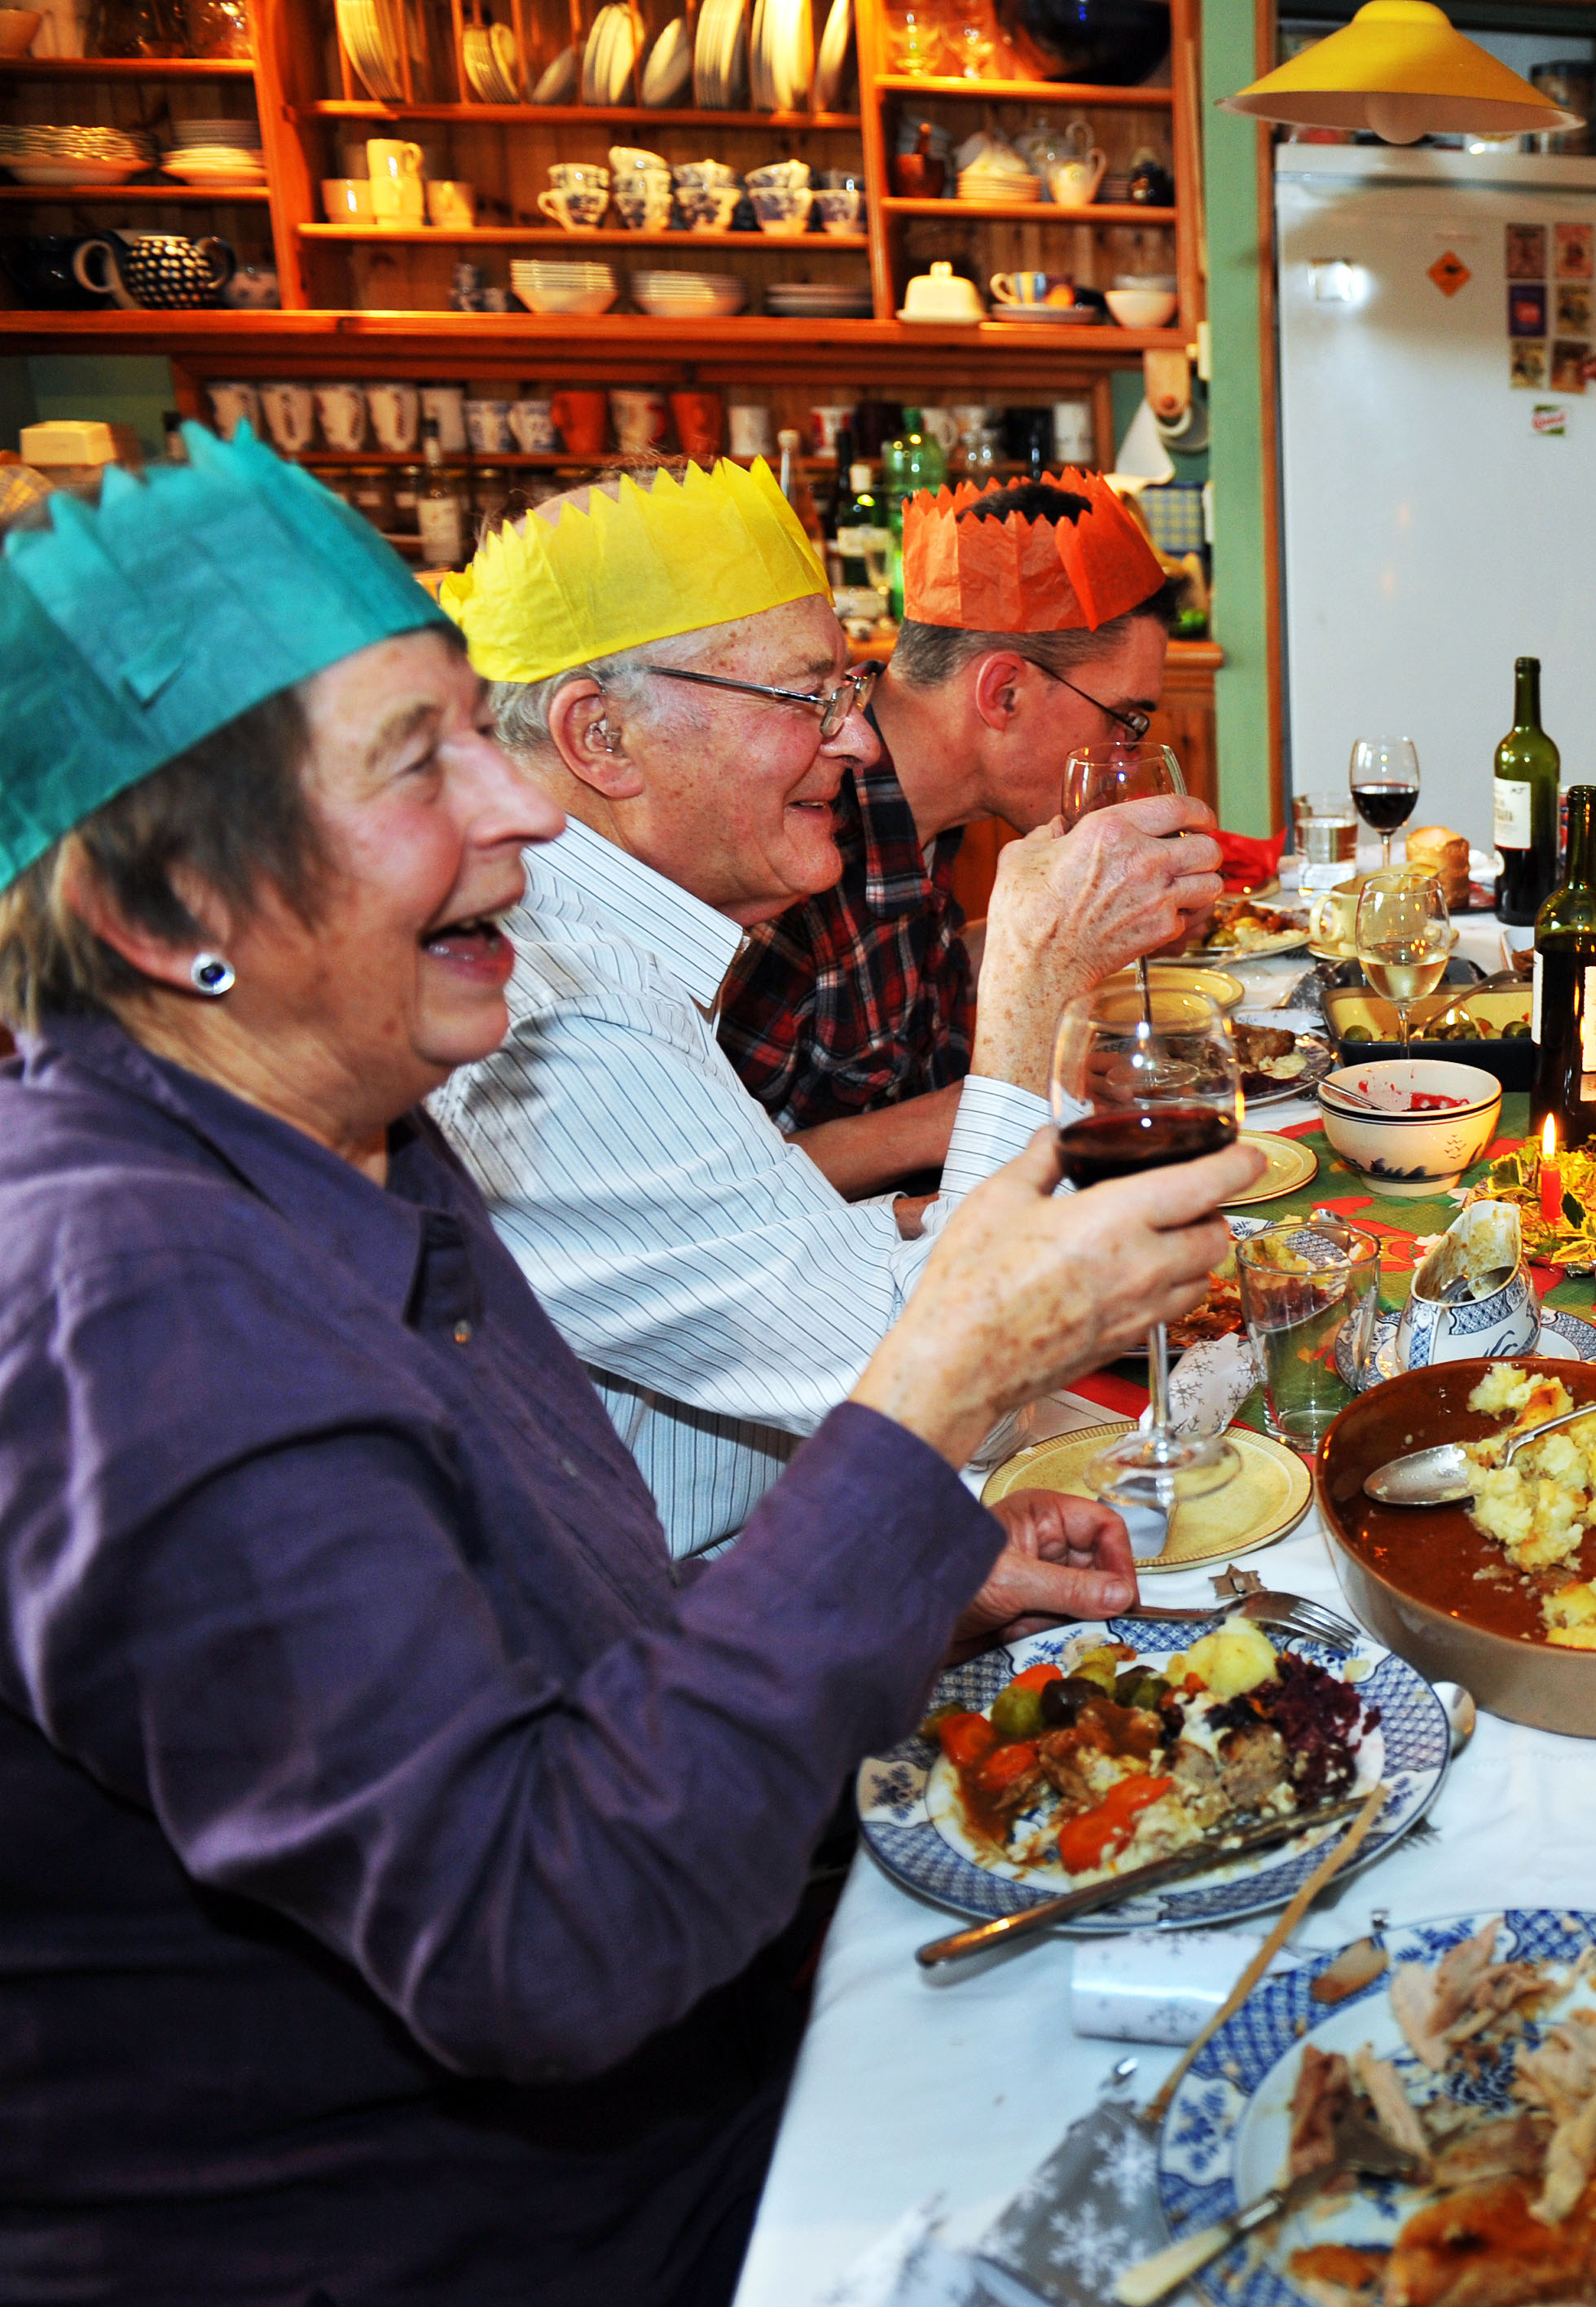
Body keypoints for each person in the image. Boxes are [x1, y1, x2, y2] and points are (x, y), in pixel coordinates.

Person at [0, 425, 1264, 2301]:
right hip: (503, 2220)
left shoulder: (352, 1125)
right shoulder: (143, 1302)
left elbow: (541, 1618)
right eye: (420, 760)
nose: (516, 810)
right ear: (168, 915)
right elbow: (546, 1935)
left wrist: (907, 1577)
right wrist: (919, 1420)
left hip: (689, 2032)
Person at [427, 458, 1217, 1553]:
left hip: (760, 1554)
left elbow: (725, 1250)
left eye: (848, 694)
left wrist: (883, 1220)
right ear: (598, 737)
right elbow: (950, 1383)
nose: (856, 739)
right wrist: (1031, 976)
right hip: (674, 1630)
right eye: (811, 697)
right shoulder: (558, 1018)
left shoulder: (598, 947)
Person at [716, 471, 1194, 1197]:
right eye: (1125, 719)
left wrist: (1054, 933)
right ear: (1003, 693)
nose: (1126, 752)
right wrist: (975, 1108)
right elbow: (714, 1192)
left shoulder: (928, 807)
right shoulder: (793, 841)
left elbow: (892, 972)